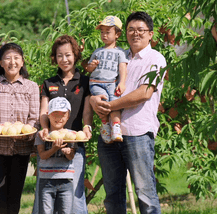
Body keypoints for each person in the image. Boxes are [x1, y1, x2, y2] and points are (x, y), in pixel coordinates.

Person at [90, 11, 166, 213]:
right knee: (112, 195)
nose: (135, 34)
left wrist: (111, 106)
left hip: (138, 134)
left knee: (145, 193)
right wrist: (94, 99)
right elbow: (99, 81)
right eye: (131, 30)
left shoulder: (156, 59)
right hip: (110, 135)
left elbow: (144, 93)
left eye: (141, 30)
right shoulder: (119, 56)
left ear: (150, 34)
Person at [0, 42, 40, 214]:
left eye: (16, 58)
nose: (12, 62)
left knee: (14, 196)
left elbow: (34, 118)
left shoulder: (31, 87)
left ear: (22, 62)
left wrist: (28, 133)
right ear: (1, 63)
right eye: (8, 58)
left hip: (20, 148)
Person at [34, 35, 93, 214]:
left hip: (74, 146)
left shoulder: (84, 82)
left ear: (75, 55)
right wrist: (45, 129)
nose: (64, 59)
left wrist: (87, 127)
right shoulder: (49, 83)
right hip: (50, 144)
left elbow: (87, 112)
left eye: (68, 55)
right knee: (44, 198)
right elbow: (44, 112)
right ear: (55, 58)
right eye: (59, 55)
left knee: (75, 197)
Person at [85, 15, 128, 144]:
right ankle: (104, 124)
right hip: (96, 83)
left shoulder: (121, 52)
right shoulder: (97, 51)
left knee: (115, 104)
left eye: (108, 32)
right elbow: (89, 68)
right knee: (102, 104)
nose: (104, 35)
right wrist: (91, 66)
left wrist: (122, 82)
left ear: (117, 34)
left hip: (111, 83)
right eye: (102, 32)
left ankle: (115, 126)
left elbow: (122, 68)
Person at [35, 97, 77, 214]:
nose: (58, 118)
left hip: (66, 181)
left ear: (68, 116)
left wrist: (68, 152)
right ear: (48, 114)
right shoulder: (42, 135)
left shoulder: (71, 135)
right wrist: (54, 149)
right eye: (55, 114)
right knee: (46, 212)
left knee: (66, 211)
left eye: (63, 115)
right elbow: (42, 156)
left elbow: (71, 157)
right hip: (46, 180)